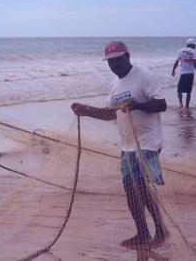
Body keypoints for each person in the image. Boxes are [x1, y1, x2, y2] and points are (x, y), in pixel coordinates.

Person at [71, 41, 169, 249]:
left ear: (128, 57)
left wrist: (137, 105)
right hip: (127, 146)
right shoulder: (115, 84)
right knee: (130, 189)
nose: (114, 65)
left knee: (141, 187)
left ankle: (161, 231)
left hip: (148, 141)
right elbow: (110, 113)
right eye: (110, 62)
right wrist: (86, 110)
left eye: (117, 60)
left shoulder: (143, 76)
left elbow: (161, 104)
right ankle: (142, 233)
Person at [171, 38, 196, 108]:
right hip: (190, 73)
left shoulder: (180, 51)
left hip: (183, 73)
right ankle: (187, 105)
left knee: (179, 90)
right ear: (191, 45)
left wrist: (173, 70)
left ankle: (181, 103)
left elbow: (176, 61)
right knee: (188, 91)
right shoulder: (194, 51)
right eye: (194, 45)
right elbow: (195, 63)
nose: (195, 46)